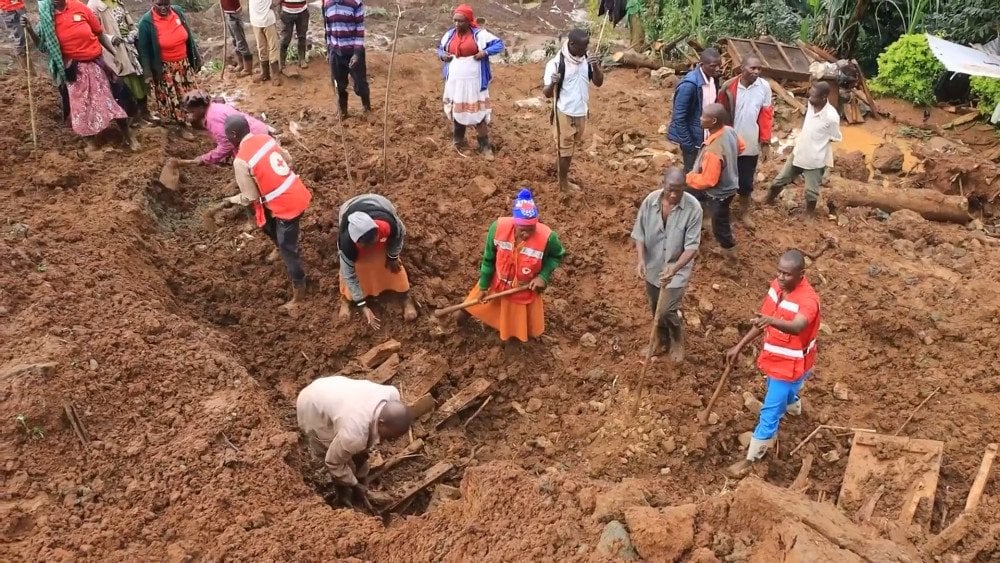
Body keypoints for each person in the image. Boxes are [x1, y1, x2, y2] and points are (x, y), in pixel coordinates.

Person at [724, 250, 821, 476]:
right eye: (779, 271)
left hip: (793, 365)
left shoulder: (808, 300)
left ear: (801, 275)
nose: (781, 277)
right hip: (776, 360)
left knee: (769, 411)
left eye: (787, 274)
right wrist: (739, 346)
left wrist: (771, 321)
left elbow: (797, 326)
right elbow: (762, 321)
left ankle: (751, 459)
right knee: (779, 394)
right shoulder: (776, 288)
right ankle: (793, 406)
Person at [220, 114, 312, 311]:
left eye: (227, 136)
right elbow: (288, 159)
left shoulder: (241, 161)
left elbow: (250, 197)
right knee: (266, 224)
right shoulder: (266, 139)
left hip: (287, 207)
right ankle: (278, 246)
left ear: (234, 135)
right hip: (298, 192)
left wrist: (230, 200)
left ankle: (299, 292)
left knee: (289, 248)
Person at [23, 0, 137, 151]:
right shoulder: (47, 17)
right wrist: (30, 29)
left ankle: (129, 136)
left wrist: (114, 54)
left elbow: (99, 34)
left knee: (109, 101)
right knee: (80, 108)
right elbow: (43, 47)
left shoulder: (80, 7)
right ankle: (91, 142)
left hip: (95, 64)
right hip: (73, 69)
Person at [458, 188, 565, 342]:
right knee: (467, 310)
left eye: (531, 229)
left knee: (515, 328)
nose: (527, 235)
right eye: (523, 230)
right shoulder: (498, 229)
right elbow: (488, 259)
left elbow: (557, 256)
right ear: (515, 224)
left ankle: (511, 338)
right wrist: (483, 286)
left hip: (522, 290)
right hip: (497, 284)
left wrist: (543, 276)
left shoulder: (548, 238)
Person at [296, 375, 412, 508]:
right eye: (389, 437)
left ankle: (358, 481)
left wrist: (361, 472)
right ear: (381, 423)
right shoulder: (353, 434)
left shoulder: (392, 394)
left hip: (333, 389)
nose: (388, 442)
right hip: (312, 404)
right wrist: (354, 484)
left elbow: (366, 438)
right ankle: (342, 495)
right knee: (329, 449)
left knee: (356, 449)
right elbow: (333, 462)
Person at [631, 168, 702, 362]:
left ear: (684, 188)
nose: (673, 194)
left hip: (677, 269)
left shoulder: (693, 208)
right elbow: (640, 233)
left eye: (678, 190)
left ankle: (677, 337)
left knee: (666, 310)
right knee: (655, 307)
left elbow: (692, 247)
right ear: (663, 185)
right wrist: (641, 260)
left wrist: (674, 268)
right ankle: (660, 340)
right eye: (670, 189)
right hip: (653, 266)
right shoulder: (650, 201)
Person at [337, 193, 418, 328]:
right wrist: (363, 307)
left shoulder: (387, 225)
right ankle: (346, 300)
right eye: (367, 245)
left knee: (393, 265)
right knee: (357, 268)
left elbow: (399, 236)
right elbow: (349, 275)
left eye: (373, 241)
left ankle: (405, 297)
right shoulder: (347, 244)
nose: (371, 248)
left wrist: (392, 256)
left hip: (379, 204)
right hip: (348, 209)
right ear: (357, 241)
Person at [438, 4, 504, 160]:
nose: (457, 24)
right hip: (455, 81)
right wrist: (442, 55)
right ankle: (458, 141)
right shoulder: (449, 35)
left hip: (474, 81)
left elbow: (499, 44)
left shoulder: (480, 35)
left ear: (468, 21)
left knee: (479, 113)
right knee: (457, 111)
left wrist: (485, 52)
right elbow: (440, 48)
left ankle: (485, 146)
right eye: (455, 20)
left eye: (460, 21)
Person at [765, 82, 842, 217]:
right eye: (810, 93)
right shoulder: (811, 106)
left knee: (811, 192)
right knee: (780, 179)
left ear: (824, 97)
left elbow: (836, 137)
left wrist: (818, 143)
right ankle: (768, 199)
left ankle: (809, 214)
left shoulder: (831, 117)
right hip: (799, 152)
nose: (810, 96)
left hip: (815, 159)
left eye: (814, 95)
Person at [542, 28, 604, 192]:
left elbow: (598, 83)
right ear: (572, 44)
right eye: (582, 47)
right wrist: (552, 83)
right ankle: (563, 184)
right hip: (564, 111)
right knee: (566, 149)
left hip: (581, 112)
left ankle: (560, 169)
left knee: (569, 148)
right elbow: (547, 94)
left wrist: (596, 66)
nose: (585, 51)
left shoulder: (587, 60)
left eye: (587, 47)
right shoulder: (556, 64)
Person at [685, 103, 744, 271]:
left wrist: (688, 178)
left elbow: (708, 181)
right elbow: (741, 147)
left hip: (719, 193)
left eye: (704, 117)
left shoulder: (713, 150)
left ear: (713, 121)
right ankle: (700, 222)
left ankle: (731, 259)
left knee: (720, 226)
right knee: (694, 197)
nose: (700, 119)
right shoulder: (729, 131)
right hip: (730, 184)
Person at [717, 56, 772, 229]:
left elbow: (766, 115)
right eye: (752, 68)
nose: (756, 72)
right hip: (729, 142)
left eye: (759, 69)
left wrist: (765, 141)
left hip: (749, 143)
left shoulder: (764, 87)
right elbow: (719, 114)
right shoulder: (729, 87)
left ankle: (744, 213)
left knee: (746, 182)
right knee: (726, 179)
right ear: (742, 68)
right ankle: (722, 212)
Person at [136, 0, 201, 128]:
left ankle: (194, 120)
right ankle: (181, 126)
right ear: (152, 3)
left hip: (184, 65)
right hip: (165, 69)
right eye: (159, 5)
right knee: (174, 100)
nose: (164, 8)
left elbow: (190, 38)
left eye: (167, 4)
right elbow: (143, 50)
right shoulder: (146, 22)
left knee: (190, 95)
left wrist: (196, 57)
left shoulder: (178, 12)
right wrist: (148, 72)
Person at [174, 91, 272, 166]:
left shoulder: (213, 118)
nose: (190, 116)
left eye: (192, 112)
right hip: (260, 132)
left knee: (248, 167)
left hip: (256, 140)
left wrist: (205, 158)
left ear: (201, 107)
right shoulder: (215, 107)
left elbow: (227, 145)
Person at [87, 0, 146, 120]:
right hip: (113, 49)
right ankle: (130, 117)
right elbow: (92, 30)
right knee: (124, 81)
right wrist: (111, 38)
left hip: (129, 45)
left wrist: (133, 31)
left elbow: (127, 21)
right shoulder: (93, 5)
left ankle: (144, 112)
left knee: (138, 78)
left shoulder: (118, 1)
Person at [668, 48, 722, 172]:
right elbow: (679, 118)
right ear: (702, 65)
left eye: (719, 65)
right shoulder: (689, 85)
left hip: (707, 138)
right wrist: (689, 145)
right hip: (693, 139)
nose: (718, 69)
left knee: (704, 170)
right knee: (692, 172)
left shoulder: (713, 79)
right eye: (713, 66)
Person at [323, 0, 367, 116]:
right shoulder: (328, 4)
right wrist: (329, 50)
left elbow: (360, 29)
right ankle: (342, 111)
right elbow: (328, 29)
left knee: (360, 84)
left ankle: (367, 108)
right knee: (338, 85)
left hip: (353, 51)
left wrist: (357, 53)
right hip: (336, 51)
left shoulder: (356, 3)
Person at [248, 0, 281, 85]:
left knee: (273, 47)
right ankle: (265, 73)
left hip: (268, 20)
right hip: (256, 21)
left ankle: (275, 75)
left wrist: (275, 3)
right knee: (261, 47)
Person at [220, 0, 253, 76]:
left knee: (240, 41)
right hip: (228, 13)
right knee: (235, 41)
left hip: (234, 14)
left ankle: (248, 69)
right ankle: (241, 64)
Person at [278, 0, 309, 73]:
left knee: (302, 36)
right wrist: (279, 10)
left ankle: (302, 59)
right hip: (286, 12)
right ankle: (281, 63)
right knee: (285, 38)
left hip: (302, 11)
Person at [2, 0, 26, 66]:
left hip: (19, 6)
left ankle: (29, 69)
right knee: (20, 40)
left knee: (24, 38)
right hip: (9, 10)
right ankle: (28, 72)